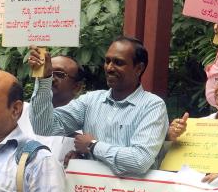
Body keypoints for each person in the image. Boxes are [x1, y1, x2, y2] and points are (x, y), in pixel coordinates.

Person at [29, 35, 168, 176]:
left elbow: (140, 161)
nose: (109, 68)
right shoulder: (91, 101)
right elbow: (43, 127)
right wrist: (44, 79)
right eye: (107, 61)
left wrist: (93, 146)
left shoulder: (152, 106)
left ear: (138, 68)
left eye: (118, 63)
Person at [0, 37, 84, 162]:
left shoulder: (84, 126)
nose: (50, 78)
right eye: (48, 72)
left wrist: (85, 157)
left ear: (77, 87)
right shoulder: (16, 110)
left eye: (59, 74)